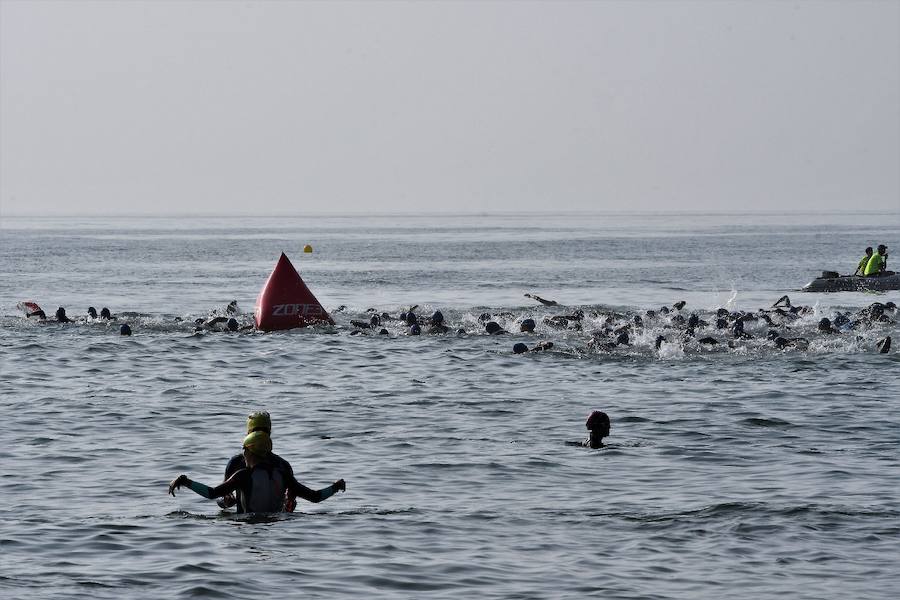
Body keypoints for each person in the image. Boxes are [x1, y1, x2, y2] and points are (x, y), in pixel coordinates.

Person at [169, 430, 345, 513]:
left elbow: (212, 493)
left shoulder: (243, 476)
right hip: (277, 527)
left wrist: (186, 481)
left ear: (248, 452)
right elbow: (315, 497)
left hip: (250, 526)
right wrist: (336, 487)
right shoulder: (282, 474)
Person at [217, 412, 296, 511]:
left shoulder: (282, 465)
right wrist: (227, 499)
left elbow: (291, 499)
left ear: (269, 433)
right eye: (256, 431)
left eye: (264, 431)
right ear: (249, 434)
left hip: (273, 523)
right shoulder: (236, 463)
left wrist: (290, 502)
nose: (260, 435)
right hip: (246, 523)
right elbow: (220, 498)